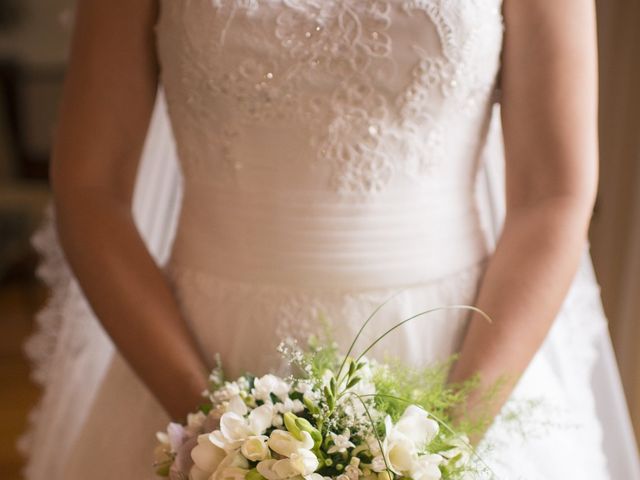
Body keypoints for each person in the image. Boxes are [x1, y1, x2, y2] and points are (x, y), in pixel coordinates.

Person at [19, 0, 640, 478]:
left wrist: (446, 446)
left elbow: (551, 196)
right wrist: (228, 442)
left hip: (461, 352)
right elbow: (89, 187)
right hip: (195, 356)